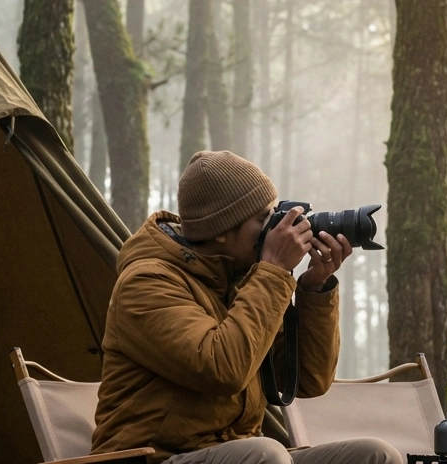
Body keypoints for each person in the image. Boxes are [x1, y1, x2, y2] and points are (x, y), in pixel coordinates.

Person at [91, 151, 402, 464]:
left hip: (240, 453)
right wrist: (274, 270)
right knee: (264, 455)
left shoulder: (241, 279)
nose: (276, 228)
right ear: (222, 231)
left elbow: (309, 381)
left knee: (375, 456)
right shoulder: (146, 282)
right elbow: (223, 369)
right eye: (262, 219)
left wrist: (314, 289)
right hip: (153, 458)